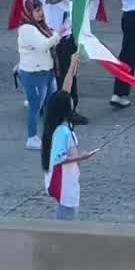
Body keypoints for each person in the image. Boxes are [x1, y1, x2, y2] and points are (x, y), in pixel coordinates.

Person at [24, 0, 86, 123]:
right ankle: (66, 111)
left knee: (63, 73)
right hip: (51, 36)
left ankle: (52, 106)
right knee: (63, 74)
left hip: (64, 33)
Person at [41, 52, 97, 220]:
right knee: (66, 218)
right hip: (64, 182)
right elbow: (59, 158)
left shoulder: (57, 122)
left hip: (66, 179)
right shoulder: (62, 132)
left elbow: (66, 87)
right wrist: (83, 157)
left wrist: (72, 64)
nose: (72, 99)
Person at [16, 0, 58, 149]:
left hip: (46, 71)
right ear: (29, 12)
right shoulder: (27, 29)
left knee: (49, 105)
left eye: (41, 10)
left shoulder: (39, 26)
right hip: (34, 74)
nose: (41, 13)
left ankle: (49, 134)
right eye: (37, 10)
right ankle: (32, 138)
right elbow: (43, 45)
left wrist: (56, 34)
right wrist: (58, 35)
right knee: (35, 107)